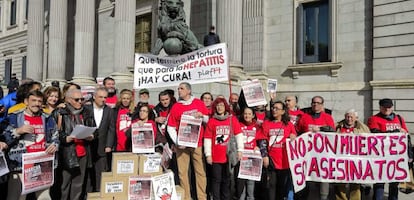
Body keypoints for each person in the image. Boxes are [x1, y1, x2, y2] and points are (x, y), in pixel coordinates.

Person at [3, 90, 59, 200]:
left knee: (44, 197)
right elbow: (4, 139)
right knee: (17, 197)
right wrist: (18, 131)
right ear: (26, 102)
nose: (37, 104)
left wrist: (55, 145)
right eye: (33, 100)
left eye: (39, 101)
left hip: (42, 163)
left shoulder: (47, 118)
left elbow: (55, 135)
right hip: (20, 165)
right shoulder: (14, 117)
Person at [167, 82, 209, 200]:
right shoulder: (176, 106)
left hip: (198, 144)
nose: (179, 90)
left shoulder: (198, 103)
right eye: (178, 88)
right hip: (182, 145)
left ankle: (202, 197)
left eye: (181, 88)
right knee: (183, 173)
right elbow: (170, 127)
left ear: (189, 91)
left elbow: (208, 120)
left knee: (200, 172)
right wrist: (177, 141)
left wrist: (202, 116)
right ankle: (186, 197)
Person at [367, 98, 410, 200]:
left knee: (394, 184)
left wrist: (409, 154)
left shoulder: (399, 118)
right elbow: (375, 135)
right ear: (380, 107)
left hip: (396, 157)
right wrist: (394, 132)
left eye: (389, 107)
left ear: (392, 107)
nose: (387, 109)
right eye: (384, 107)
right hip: (381, 157)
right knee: (379, 183)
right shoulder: (373, 119)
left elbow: (406, 137)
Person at [57, 89, 95, 200]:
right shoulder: (60, 113)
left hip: (83, 151)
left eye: (82, 99)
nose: (80, 102)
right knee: (64, 183)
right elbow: (54, 132)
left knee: (78, 183)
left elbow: (94, 129)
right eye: (77, 99)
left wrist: (92, 136)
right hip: (67, 152)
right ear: (68, 100)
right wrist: (66, 138)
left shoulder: (87, 112)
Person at [204, 97, 244, 200]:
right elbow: (207, 139)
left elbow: (239, 135)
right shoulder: (212, 121)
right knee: (216, 180)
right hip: (215, 156)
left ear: (225, 107)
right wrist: (208, 154)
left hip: (228, 156)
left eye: (221, 105)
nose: (219, 107)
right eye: (217, 105)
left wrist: (240, 150)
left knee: (227, 180)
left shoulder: (232, 119)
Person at [296, 96, 335, 200]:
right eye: (313, 102)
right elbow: (297, 132)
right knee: (309, 180)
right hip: (308, 155)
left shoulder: (328, 117)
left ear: (322, 105)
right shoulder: (304, 117)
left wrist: (321, 128)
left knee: (323, 179)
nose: (315, 104)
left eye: (318, 103)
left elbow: (332, 131)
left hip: (323, 155)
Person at [261, 101, 296, 200]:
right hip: (271, 161)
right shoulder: (266, 123)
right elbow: (262, 140)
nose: (274, 110)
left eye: (277, 108)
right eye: (273, 108)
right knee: (271, 187)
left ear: (283, 111)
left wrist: (293, 136)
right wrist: (264, 156)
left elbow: (295, 140)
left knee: (281, 189)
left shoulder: (289, 125)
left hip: (285, 162)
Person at [335, 109, 370, 200]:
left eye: (351, 117)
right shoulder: (338, 127)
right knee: (340, 183)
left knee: (355, 183)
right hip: (340, 160)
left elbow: (370, 141)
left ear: (356, 118)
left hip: (356, 160)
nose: (349, 119)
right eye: (347, 116)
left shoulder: (363, 128)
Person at [85, 87, 115, 192]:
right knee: (88, 174)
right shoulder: (86, 109)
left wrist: (109, 145)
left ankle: (99, 192)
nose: (103, 99)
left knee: (101, 173)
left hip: (102, 147)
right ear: (94, 97)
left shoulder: (109, 111)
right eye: (100, 97)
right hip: (87, 147)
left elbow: (111, 129)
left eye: (105, 97)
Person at [235, 107, 264, 200]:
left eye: (249, 114)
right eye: (245, 114)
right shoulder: (238, 125)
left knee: (251, 185)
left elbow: (261, 141)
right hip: (241, 158)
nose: (247, 116)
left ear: (253, 115)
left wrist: (258, 147)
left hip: (252, 158)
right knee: (241, 186)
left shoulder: (257, 126)